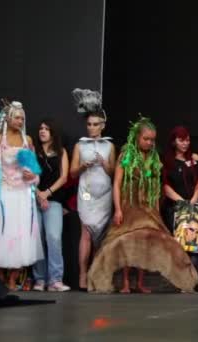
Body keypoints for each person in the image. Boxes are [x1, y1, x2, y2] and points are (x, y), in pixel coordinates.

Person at [87, 116, 198, 293]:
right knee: (126, 242)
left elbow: (157, 184)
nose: (149, 142)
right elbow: (116, 183)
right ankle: (124, 282)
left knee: (145, 242)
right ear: (137, 137)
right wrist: (118, 209)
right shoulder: (127, 155)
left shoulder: (154, 158)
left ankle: (139, 282)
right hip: (129, 205)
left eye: (152, 140)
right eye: (146, 139)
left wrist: (155, 207)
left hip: (148, 207)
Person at [69, 89, 116, 290]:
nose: (92, 128)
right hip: (86, 194)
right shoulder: (80, 146)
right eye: (89, 124)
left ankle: (96, 275)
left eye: (96, 124)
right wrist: (83, 166)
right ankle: (82, 275)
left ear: (102, 125)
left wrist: (105, 163)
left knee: (103, 236)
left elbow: (114, 172)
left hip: (104, 195)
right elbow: (72, 173)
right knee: (86, 233)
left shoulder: (109, 146)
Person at [0, 101, 43, 290]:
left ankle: (13, 279)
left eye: (22, 118)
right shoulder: (0, 139)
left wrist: (33, 175)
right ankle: (1, 278)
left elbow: (35, 170)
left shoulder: (28, 141)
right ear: (8, 118)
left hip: (23, 193)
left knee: (22, 234)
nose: (20, 121)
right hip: (5, 193)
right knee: (3, 233)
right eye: (17, 117)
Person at [31, 119, 71, 292]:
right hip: (33, 199)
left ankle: (55, 280)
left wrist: (46, 193)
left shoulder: (61, 152)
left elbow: (64, 177)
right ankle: (39, 279)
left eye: (46, 129)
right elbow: (26, 174)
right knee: (36, 239)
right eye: (40, 128)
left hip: (53, 200)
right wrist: (38, 193)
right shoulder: (33, 152)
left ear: (53, 132)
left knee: (53, 237)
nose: (42, 131)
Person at [161, 126, 198, 277]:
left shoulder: (193, 160)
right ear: (174, 142)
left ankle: (193, 279)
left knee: (194, 244)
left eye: (187, 140)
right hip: (175, 209)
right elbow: (165, 186)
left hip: (193, 208)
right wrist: (182, 202)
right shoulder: (167, 161)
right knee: (177, 245)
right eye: (181, 140)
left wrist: (193, 200)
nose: (185, 143)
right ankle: (179, 279)